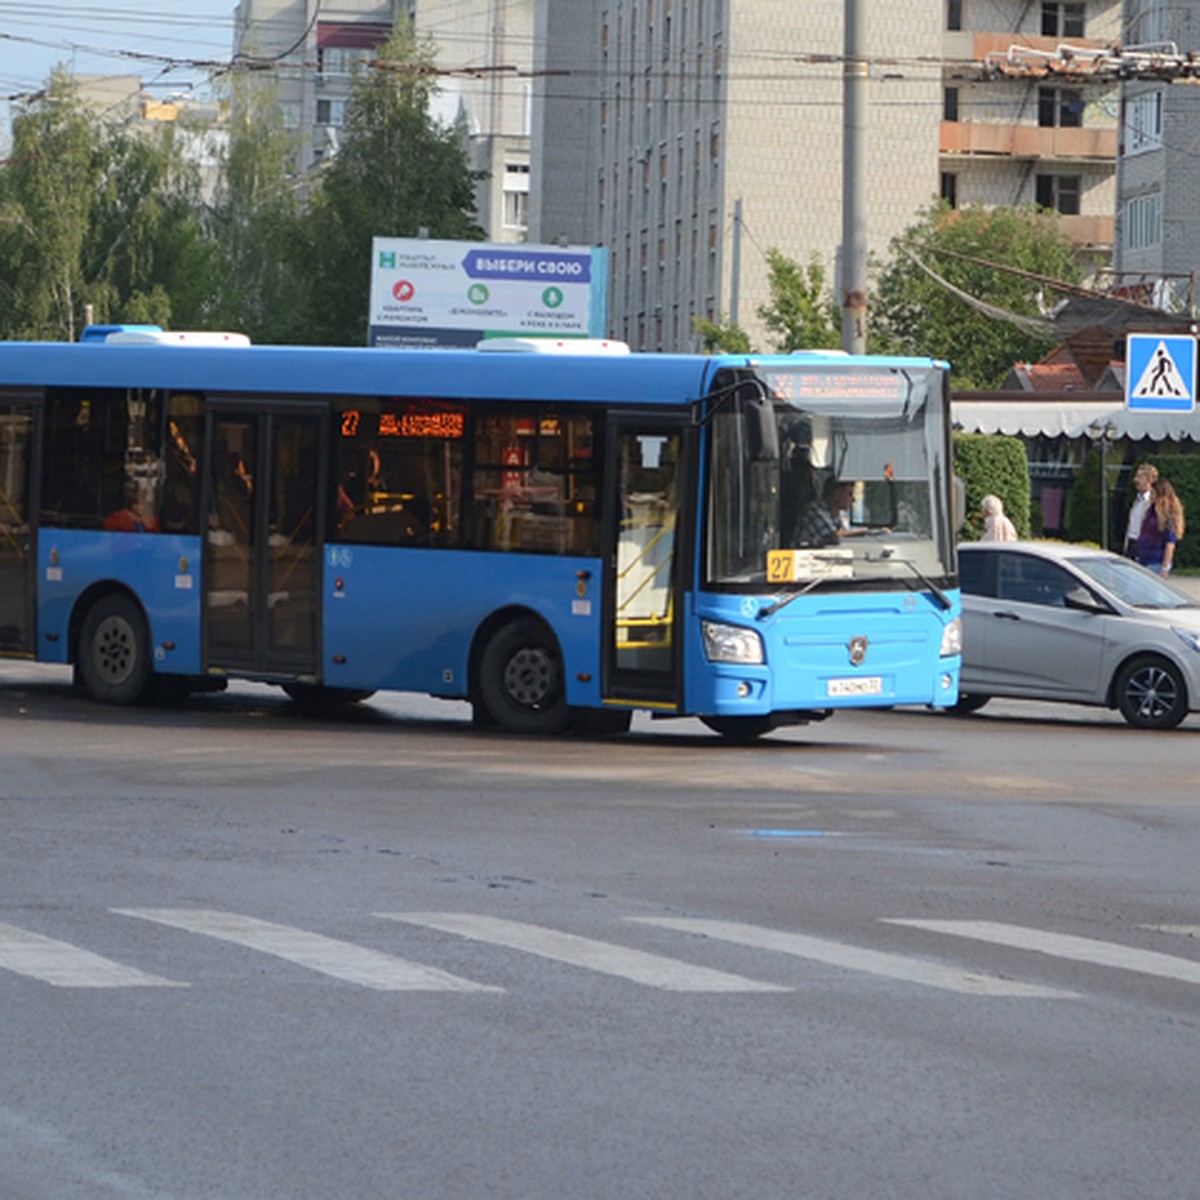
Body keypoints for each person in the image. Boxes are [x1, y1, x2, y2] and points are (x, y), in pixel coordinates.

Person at [794, 477, 884, 546]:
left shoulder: (840, 515)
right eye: (850, 494)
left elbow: (846, 533)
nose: (853, 499)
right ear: (837, 494)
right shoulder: (814, 511)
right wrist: (866, 532)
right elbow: (834, 536)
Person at [1136, 477, 1185, 577]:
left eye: (1153, 493)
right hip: (1143, 557)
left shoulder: (1168, 516)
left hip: (1156, 560)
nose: (1150, 496)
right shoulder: (1151, 511)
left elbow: (1170, 543)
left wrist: (1165, 567)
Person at [1123, 462, 1158, 559]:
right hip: (1132, 543)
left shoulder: (1153, 502)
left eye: (1139, 477)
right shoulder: (1137, 500)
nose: (1136, 480)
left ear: (1149, 480)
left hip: (1144, 545)